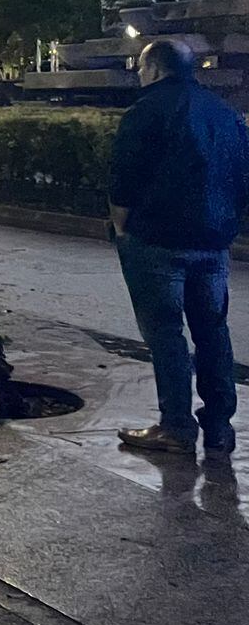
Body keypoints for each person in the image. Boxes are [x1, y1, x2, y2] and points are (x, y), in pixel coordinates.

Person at [111, 38, 249, 458]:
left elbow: (125, 177)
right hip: (213, 241)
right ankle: (221, 428)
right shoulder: (224, 114)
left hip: (157, 240)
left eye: (140, 67)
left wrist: (121, 228)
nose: (138, 75)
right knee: (212, 329)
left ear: (154, 68)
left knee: (166, 333)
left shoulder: (146, 111)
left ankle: (176, 426)